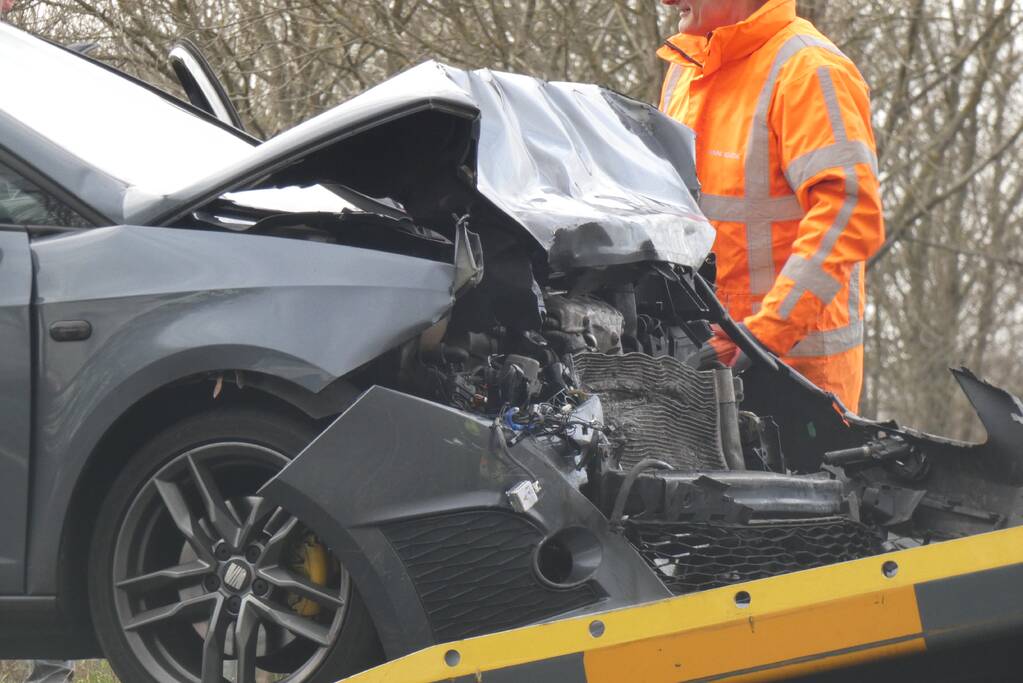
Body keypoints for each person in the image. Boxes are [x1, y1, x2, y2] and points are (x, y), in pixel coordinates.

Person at [658, 0, 884, 412]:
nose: (666, 1)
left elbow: (848, 214)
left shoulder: (810, 70)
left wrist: (764, 335)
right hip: (701, 370)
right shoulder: (686, 68)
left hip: (795, 388)